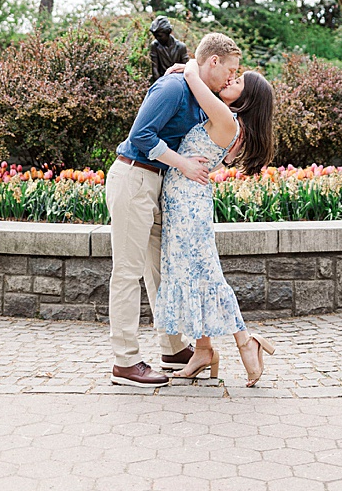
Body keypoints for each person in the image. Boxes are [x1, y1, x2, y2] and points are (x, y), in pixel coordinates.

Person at [105, 33, 240, 387]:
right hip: (134, 178)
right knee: (128, 271)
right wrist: (181, 163)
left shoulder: (196, 93)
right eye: (230, 70)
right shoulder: (173, 88)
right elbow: (140, 136)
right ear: (213, 61)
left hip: (157, 183)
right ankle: (125, 362)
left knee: (158, 269)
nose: (231, 77)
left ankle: (172, 347)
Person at [151, 53, 278, 387]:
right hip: (186, 200)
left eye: (238, 82)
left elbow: (194, 77)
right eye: (232, 76)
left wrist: (188, 65)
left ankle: (245, 341)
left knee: (205, 273)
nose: (229, 81)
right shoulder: (235, 125)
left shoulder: (225, 118)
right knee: (191, 272)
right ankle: (204, 350)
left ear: (248, 98)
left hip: (188, 204)